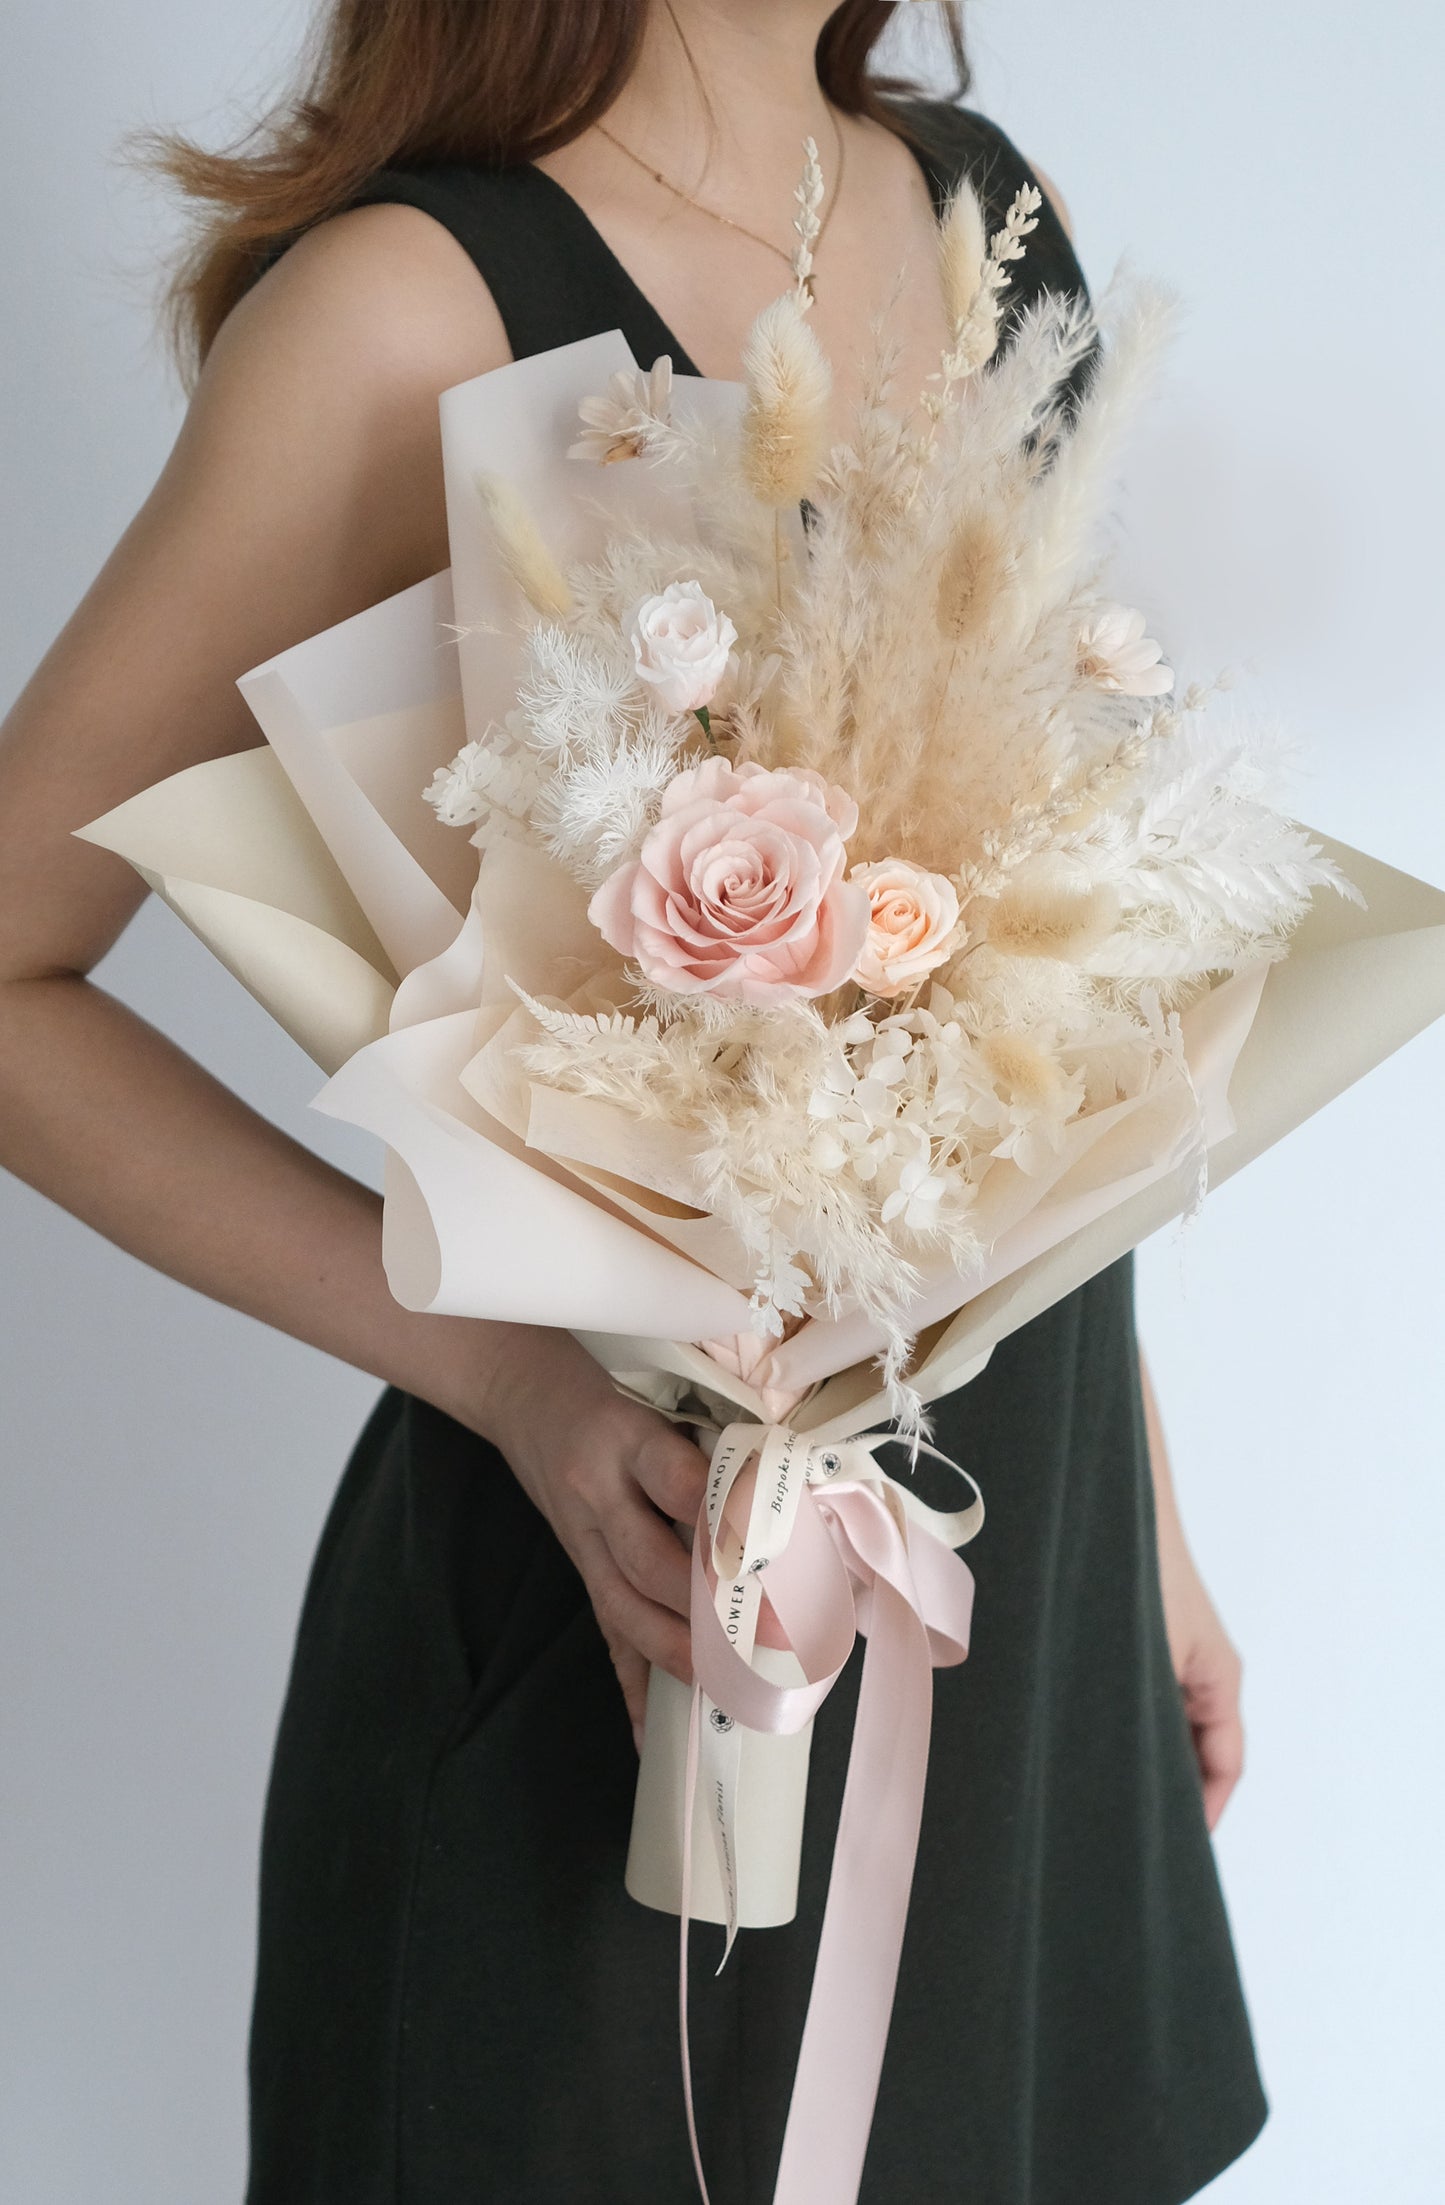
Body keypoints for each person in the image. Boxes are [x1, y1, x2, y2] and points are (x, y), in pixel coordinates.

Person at [0, 2, 1269, 2197]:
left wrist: (1143, 1530)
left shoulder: (989, 212)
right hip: (629, 1632)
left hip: (1014, 1596)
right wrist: (504, 1378)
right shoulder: (400, 306)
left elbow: (1046, 1011)